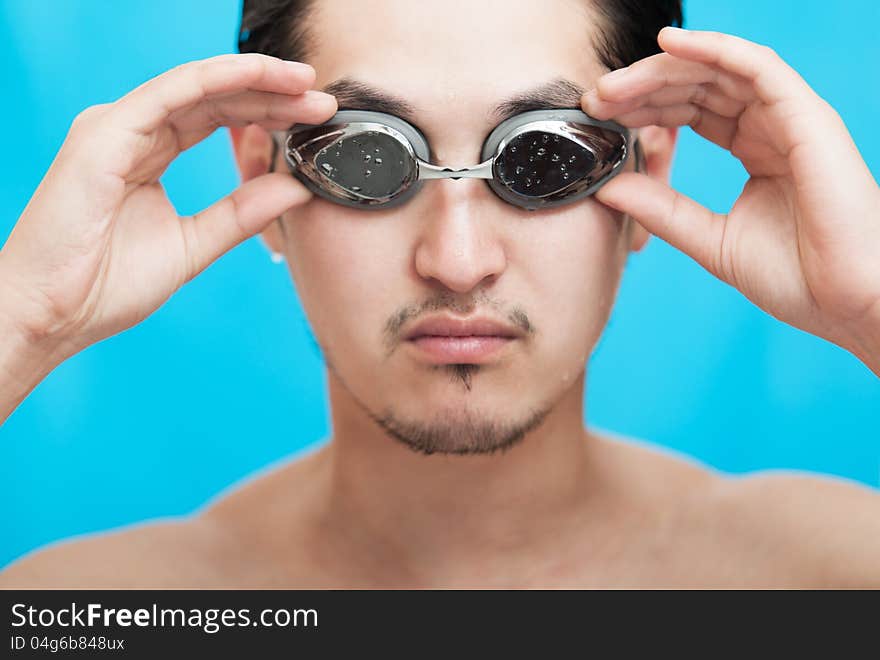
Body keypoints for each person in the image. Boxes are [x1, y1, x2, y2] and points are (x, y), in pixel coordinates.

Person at [1, 0, 878, 588]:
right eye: (365, 160)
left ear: (646, 174)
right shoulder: (94, 609)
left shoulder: (836, 576)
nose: (458, 262)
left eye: (544, 161)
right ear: (262, 180)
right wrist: (23, 323)